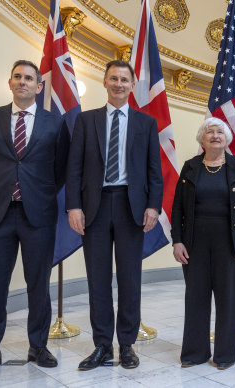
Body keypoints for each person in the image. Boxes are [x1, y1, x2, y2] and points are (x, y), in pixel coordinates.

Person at [0, 60, 69, 378]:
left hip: (37, 214)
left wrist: (35, 191)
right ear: (9, 83)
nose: (23, 82)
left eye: (29, 78)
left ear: (39, 87)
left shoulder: (54, 123)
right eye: (17, 77)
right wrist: (4, 188)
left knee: (39, 284)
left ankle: (38, 345)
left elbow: (60, 169)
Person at [66, 60, 163, 370]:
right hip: (93, 207)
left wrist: (153, 205)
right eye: (113, 79)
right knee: (97, 280)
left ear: (132, 85)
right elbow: (74, 167)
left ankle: (128, 344)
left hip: (130, 207)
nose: (119, 84)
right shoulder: (86, 120)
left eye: (124, 79)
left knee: (130, 279)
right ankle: (102, 346)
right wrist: (73, 206)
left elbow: (154, 171)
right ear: (104, 82)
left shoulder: (145, 123)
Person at [171, 117, 235, 370]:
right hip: (194, 241)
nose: (215, 135)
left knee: (228, 298)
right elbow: (177, 208)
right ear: (202, 139)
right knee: (195, 297)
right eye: (210, 132)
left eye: (220, 132)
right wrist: (177, 241)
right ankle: (195, 353)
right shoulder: (190, 167)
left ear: (227, 138)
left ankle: (225, 355)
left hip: (229, 241)